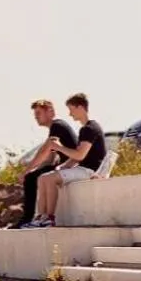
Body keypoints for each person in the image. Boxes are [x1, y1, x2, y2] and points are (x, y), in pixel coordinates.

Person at [32, 93, 107, 226]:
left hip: (90, 171)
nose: (70, 114)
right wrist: (63, 167)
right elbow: (76, 157)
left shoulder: (90, 129)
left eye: (71, 110)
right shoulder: (85, 129)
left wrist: (58, 147)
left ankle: (49, 218)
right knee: (42, 178)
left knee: (49, 179)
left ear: (80, 107)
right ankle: (40, 217)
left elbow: (80, 155)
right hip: (82, 168)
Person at [18, 100, 78, 228]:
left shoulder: (58, 125)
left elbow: (43, 152)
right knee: (35, 175)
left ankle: (28, 218)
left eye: (39, 113)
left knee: (30, 178)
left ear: (50, 112)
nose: (36, 117)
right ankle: (37, 216)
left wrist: (26, 171)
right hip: (64, 165)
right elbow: (49, 159)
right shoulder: (55, 128)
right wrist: (36, 169)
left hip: (71, 165)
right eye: (35, 114)